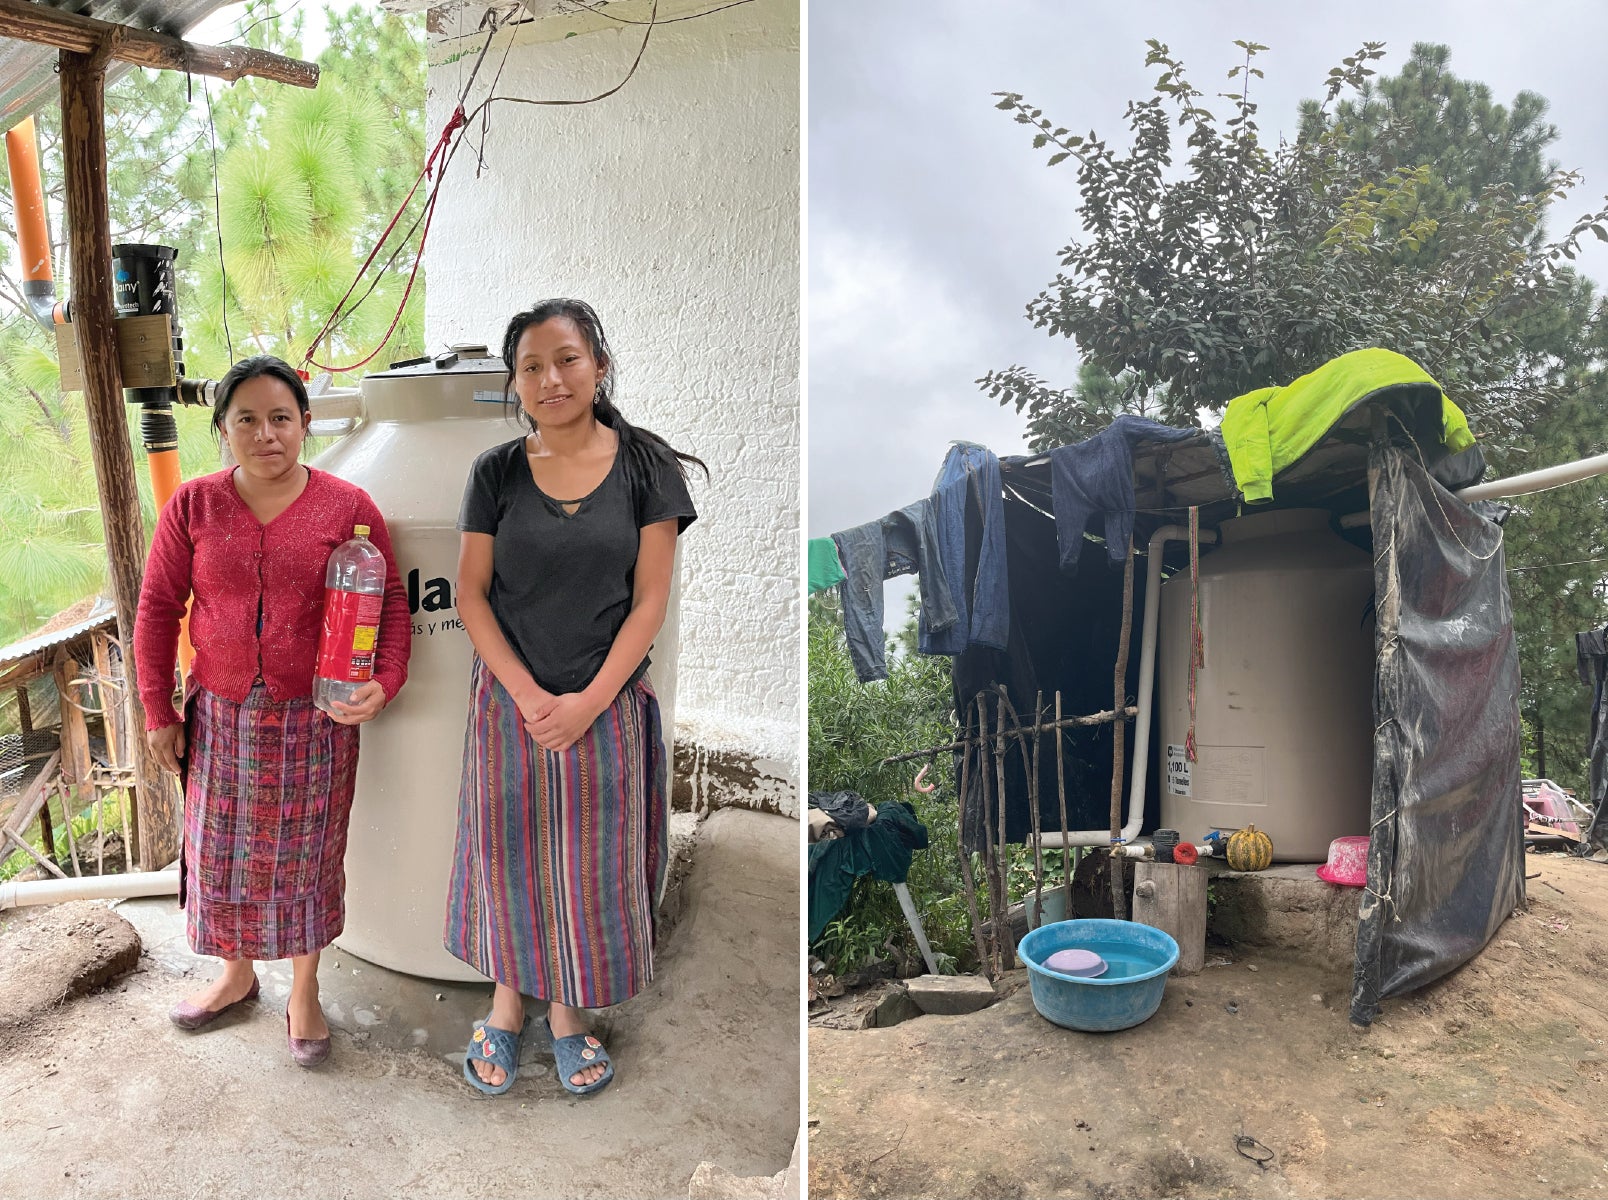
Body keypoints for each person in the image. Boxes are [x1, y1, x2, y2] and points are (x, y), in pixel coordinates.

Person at [446, 298, 702, 1096]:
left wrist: (590, 700)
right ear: (515, 383)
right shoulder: (495, 472)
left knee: (592, 866)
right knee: (508, 855)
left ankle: (568, 1014)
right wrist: (527, 695)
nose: (551, 378)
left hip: (609, 704)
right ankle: (506, 1003)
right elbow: (472, 594)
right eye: (531, 366)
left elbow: (650, 601)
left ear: (598, 364)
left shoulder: (645, 467)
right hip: (508, 707)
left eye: (566, 359)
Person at [133, 355, 411, 1068]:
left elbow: (393, 606)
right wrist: (157, 708)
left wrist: (385, 679)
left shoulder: (348, 507)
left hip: (315, 715)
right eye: (247, 419)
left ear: (306, 424)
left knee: (308, 859)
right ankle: (235, 973)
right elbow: (158, 608)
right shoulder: (192, 505)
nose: (266, 433)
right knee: (220, 854)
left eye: (281, 417)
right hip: (220, 713)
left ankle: (305, 990)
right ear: (223, 429)